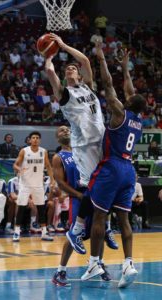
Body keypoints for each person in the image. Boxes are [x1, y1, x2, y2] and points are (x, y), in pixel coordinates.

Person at [80, 46, 146, 288]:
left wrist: (101, 59)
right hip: (129, 169)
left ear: (127, 103)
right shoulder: (139, 119)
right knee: (124, 219)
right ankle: (129, 263)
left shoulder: (120, 113)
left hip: (112, 166)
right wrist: (126, 68)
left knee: (99, 215)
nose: (126, 94)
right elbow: (129, 89)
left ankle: (94, 262)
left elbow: (108, 85)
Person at [45, 33, 118, 253]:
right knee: (91, 188)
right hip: (84, 146)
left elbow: (85, 61)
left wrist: (64, 45)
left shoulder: (88, 87)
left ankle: (105, 225)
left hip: (102, 140)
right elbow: (49, 70)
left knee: (109, 185)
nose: (70, 69)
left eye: (73, 68)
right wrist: (47, 55)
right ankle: (76, 230)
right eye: (67, 69)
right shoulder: (64, 93)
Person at [52, 126, 111, 286]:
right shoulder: (59, 157)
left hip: (94, 195)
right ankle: (60, 271)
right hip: (78, 198)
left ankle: (98, 263)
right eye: (61, 130)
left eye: (67, 129)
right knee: (74, 234)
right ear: (57, 138)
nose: (65, 131)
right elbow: (60, 182)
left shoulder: (83, 151)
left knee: (99, 231)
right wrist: (78, 195)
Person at [12, 131, 55, 242]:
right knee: (21, 208)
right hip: (25, 184)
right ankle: (16, 232)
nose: (35, 139)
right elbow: (15, 164)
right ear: (30, 140)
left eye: (37, 138)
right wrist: (19, 169)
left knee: (41, 209)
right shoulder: (24, 151)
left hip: (38, 184)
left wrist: (52, 180)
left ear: (39, 140)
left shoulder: (43, 151)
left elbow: (49, 166)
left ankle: (44, 233)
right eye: (33, 137)